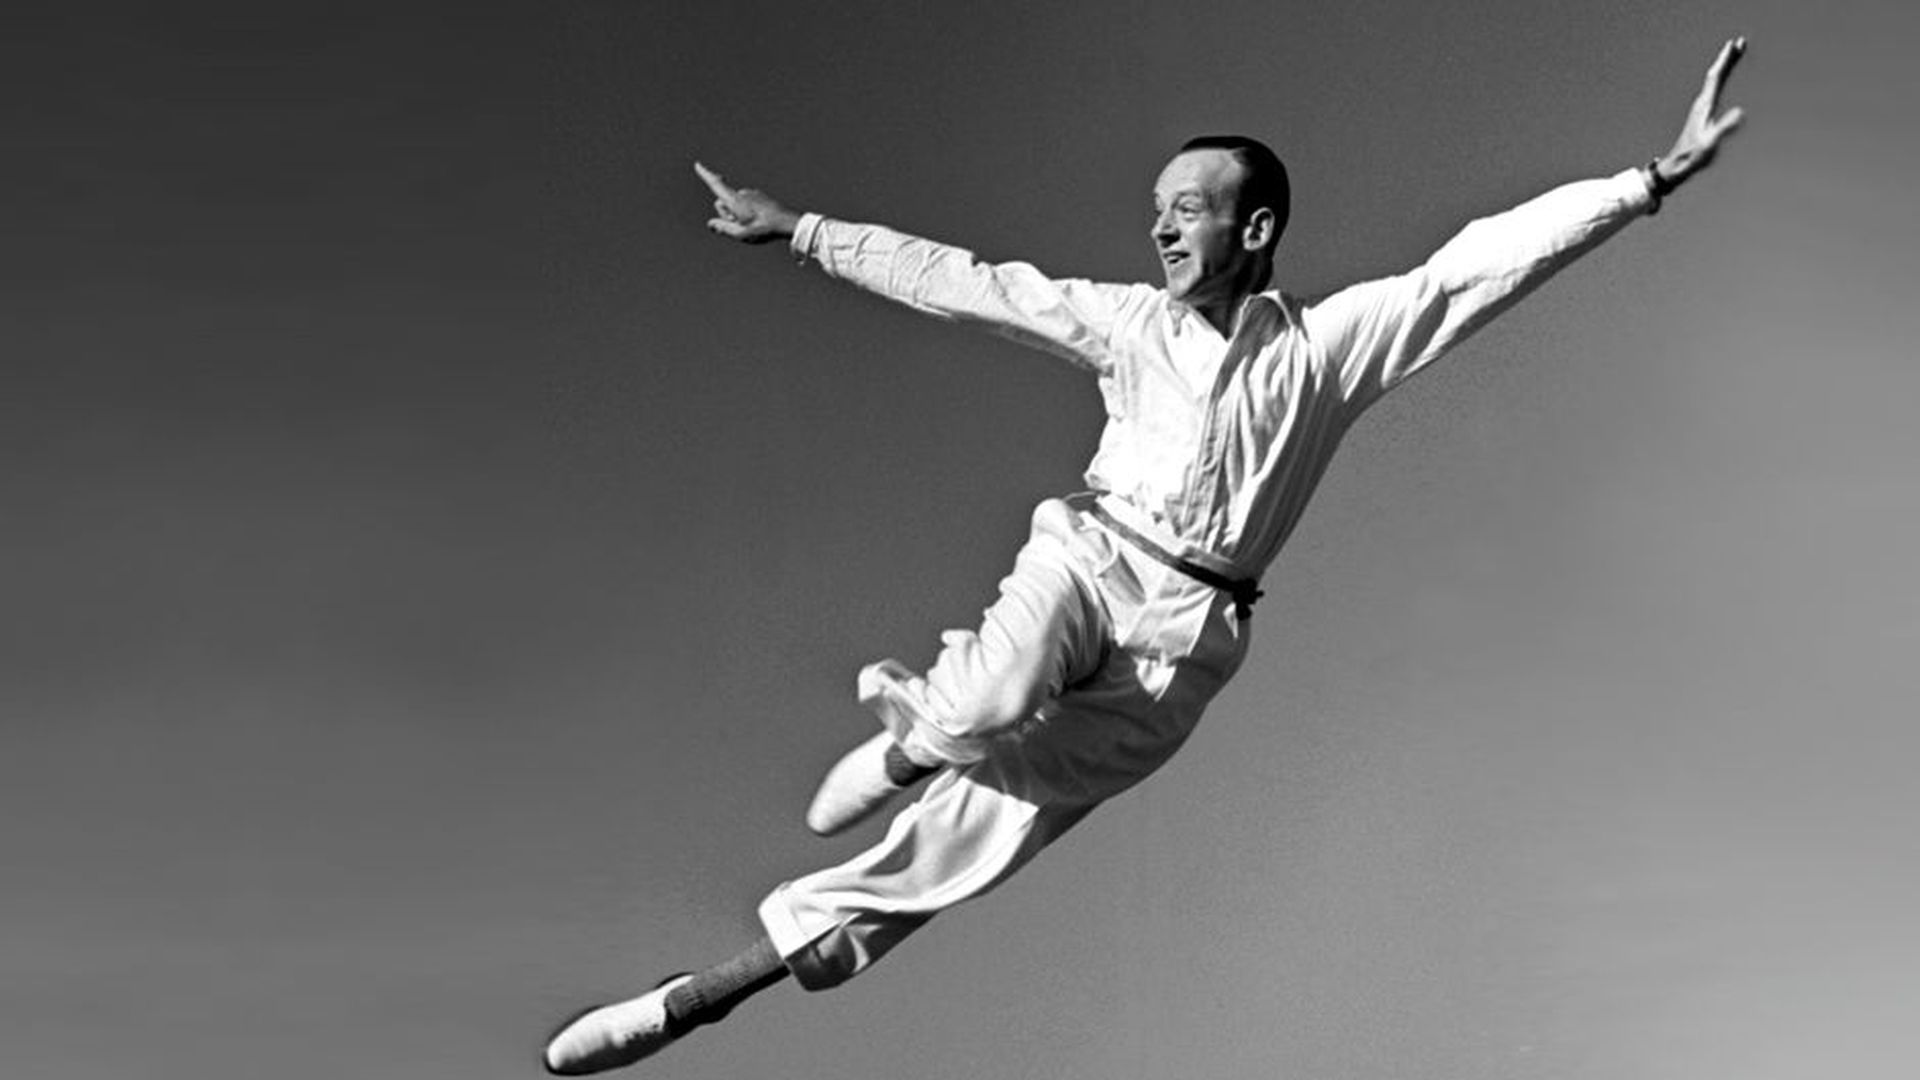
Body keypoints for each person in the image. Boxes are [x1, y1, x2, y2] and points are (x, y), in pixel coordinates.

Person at [543, 39, 1749, 1076]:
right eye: (1157, 207)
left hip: (1188, 645)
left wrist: (1645, 183)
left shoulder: (1326, 352)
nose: (1160, 224)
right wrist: (805, 231)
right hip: (1091, 558)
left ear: (1255, 227)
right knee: (988, 703)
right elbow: (970, 285)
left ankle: (697, 998)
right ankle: (917, 737)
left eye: (1187, 207)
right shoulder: (1129, 322)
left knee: (964, 850)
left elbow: (1473, 267)